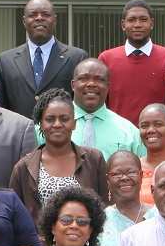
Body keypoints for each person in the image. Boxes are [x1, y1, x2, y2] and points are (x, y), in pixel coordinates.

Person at [9, 89, 109, 226]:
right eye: (50, 119)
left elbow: (106, 208)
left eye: (64, 119)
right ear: (41, 124)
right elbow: (16, 216)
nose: (57, 124)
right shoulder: (24, 167)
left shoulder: (94, 159)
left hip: (85, 244)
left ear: (74, 124)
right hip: (41, 245)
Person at [0, 0, 87, 118]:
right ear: (24, 21)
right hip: (19, 134)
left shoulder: (76, 57)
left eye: (46, 14)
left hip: (59, 133)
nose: (39, 18)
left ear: (54, 20)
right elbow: (1, 106)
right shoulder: (5, 60)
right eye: (33, 15)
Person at [47, 58, 145, 161]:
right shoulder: (48, 127)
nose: (91, 84)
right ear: (73, 85)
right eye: (84, 78)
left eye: (99, 79)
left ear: (108, 87)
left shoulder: (129, 132)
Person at [97, 0, 165, 124]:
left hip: (155, 136)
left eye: (143, 19)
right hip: (116, 137)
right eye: (132, 20)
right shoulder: (106, 59)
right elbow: (99, 105)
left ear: (152, 23)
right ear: (123, 24)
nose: (137, 24)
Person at [87, 150, 157, 246]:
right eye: (116, 174)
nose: (124, 178)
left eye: (131, 172)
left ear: (141, 176)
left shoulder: (159, 216)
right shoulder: (98, 220)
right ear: (108, 180)